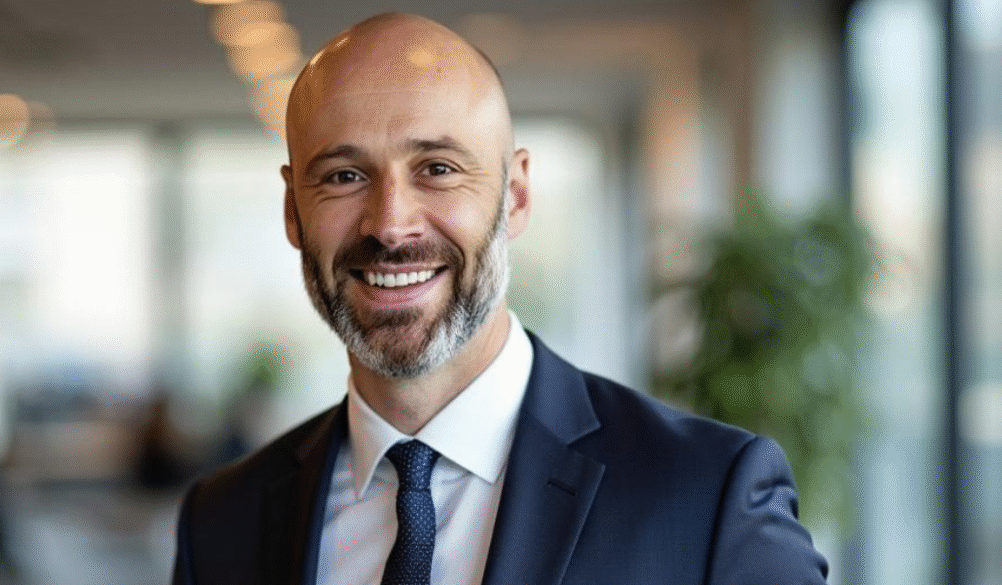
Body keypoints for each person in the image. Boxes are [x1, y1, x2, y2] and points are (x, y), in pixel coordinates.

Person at [172, 12, 828, 585]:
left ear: (514, 195)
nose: (389, 224)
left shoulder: (708, 494)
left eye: (437, 168)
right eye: (345, 176)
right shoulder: (223, 519)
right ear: (293, 210)